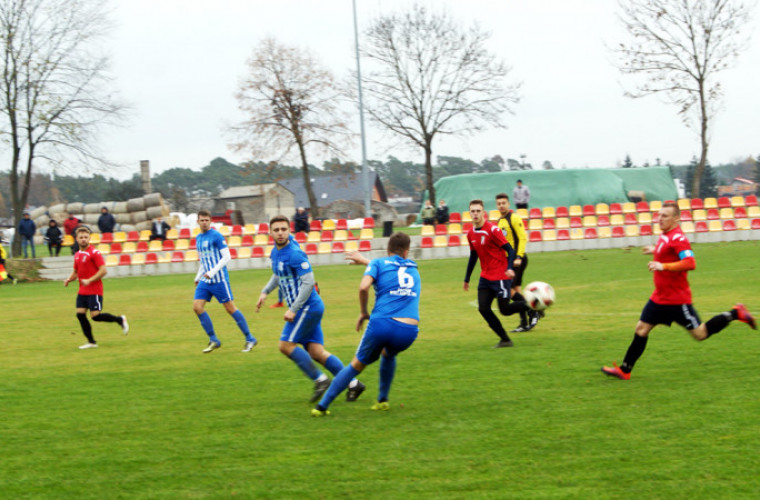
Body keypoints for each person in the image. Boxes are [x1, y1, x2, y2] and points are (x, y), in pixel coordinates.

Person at [602, 202, 756, 380]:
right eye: (659, 215)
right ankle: (624, 370)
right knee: (641, 329)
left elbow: (690, 262)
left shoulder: (679, 239)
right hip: (659, 298)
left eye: (665, 216)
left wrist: (662, 265)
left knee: (700, 334)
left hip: (676, 300)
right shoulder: (666, 235)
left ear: (676, 219)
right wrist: (655, 251)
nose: (660, 219)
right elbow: (668, 251)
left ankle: (736, 313)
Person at [256, 215, 364, 403]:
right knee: (316, 352)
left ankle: (320, 380)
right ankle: (354, 384)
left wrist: (293, 309)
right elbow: (278, 274)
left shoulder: (295, 253)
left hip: (308, 307)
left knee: (285, 345)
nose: (280, 233)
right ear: (270, 232)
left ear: (289, 230)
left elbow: (308, 283)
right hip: (306, 308)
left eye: (284, 229)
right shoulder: (275, 252)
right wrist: (265, 292)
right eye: (276, 230)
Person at [312, 233, 420, 417]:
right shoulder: (414, 269)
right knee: (389, 354)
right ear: (407, 252)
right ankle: (382, 401)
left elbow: (364, 287)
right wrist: (365, 261)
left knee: (356, 365)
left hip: (382, 324)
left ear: (387, 250)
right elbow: (391, 268)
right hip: (408, 331)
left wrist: (363, 312)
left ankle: (322, 407)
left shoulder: (378, 263)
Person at [463, 199, 537, 348]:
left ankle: (532, 306)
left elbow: (510, 249)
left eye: (478, 211)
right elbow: (473, 256)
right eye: (473, 211)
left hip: (500, 275)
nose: (475, 214)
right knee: (483, 308)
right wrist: (467, 278)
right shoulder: (470, 233)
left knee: (504, 310)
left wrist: (509, 267)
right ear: (469, 213)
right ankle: (505, 339)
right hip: (485, 276)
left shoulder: (493, 230)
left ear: (483, 213)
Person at [193, 209, 257, 353]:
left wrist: (212, 272)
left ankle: (250, 338)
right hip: (206, 279)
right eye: (201, 220)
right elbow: (204, 260)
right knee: (197, 307)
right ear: (198, 221)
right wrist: (198, 276)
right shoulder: (198, 238)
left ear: (210, 221)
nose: (204, 223)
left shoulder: (216, 236)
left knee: (230, 308)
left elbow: (227, 257)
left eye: (206, 220)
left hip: (219, 279)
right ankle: (214, 339)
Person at [63, 226, 128, 349]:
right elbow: (76, 271)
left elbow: (103, 271)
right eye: (81, 237)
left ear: (89, 238)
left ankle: (120, 320)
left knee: (96, 317)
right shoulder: (77, 254)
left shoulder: (94, 253)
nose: (83, 239)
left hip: (95, 290)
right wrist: (69, 279)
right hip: (82, 290)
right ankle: (91, 342)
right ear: (76, 239)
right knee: (80, 315)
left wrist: (90, 280)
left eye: (85, 237)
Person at [495, 193, 540, 332]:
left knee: (509, 290)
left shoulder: (514, 218)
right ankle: (524, 322)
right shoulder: (499, 222)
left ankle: (533, 311)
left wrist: (519, 257)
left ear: (508, 204)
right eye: (499, 203)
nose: (501, 205)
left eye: (504, 203)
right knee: (516, 290)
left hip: (517, 260)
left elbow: (522, 238)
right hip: (509, 262)